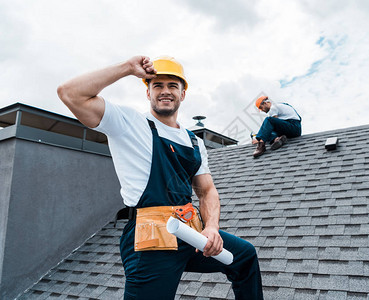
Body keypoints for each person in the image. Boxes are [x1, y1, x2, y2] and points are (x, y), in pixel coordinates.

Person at [57, 55, 263, 300]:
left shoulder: (193, 141)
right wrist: (127, 68)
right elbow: (69, 93)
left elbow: (206, 190)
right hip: (150, 238)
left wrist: (211, 228)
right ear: (148, 93)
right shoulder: (129, 123)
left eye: (172, 86)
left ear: (183, 94)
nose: (165, 91)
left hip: (188, 231)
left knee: (244, 256)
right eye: (158, 85)